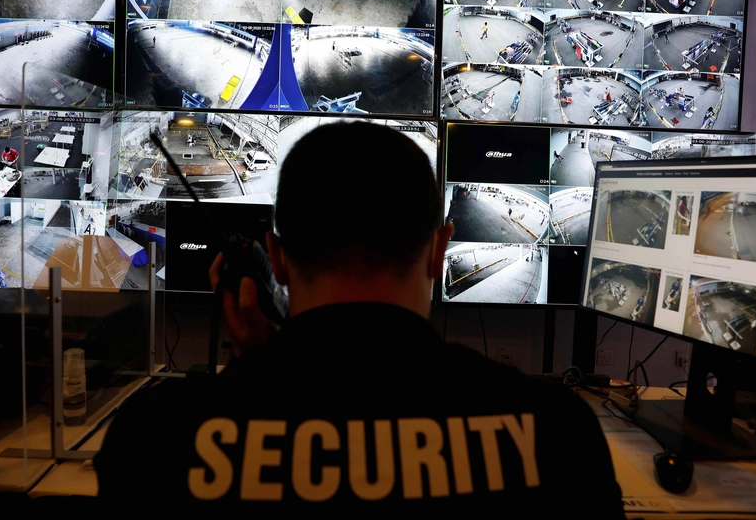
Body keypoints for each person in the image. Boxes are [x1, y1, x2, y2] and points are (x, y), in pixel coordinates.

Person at [95, 123, 624, 515]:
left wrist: (255, 369)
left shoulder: (152, 437)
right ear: (439, 252)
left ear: (276, 257)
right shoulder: (557, 432)